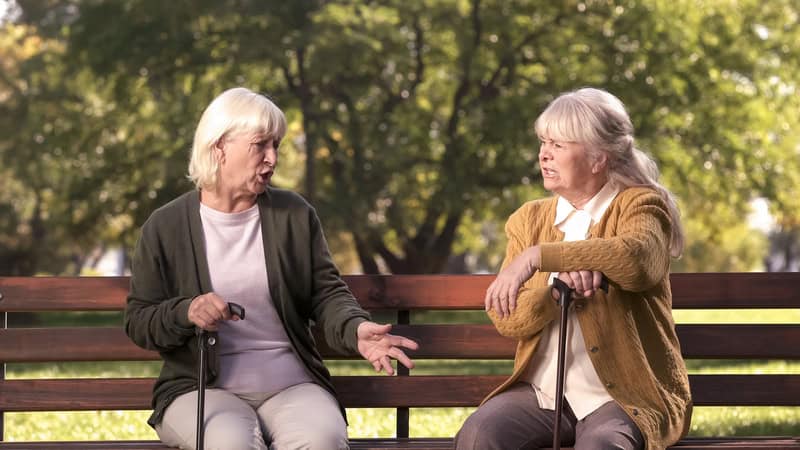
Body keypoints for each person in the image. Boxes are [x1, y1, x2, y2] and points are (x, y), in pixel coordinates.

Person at [124, 87, 419, 450]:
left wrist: (355, 329)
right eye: (260, 145)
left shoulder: (293, 214)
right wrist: (186, 311)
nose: (272, 158)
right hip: (201, 390)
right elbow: (139, 321)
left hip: (292, 385)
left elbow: (326, 294)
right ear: (220, 148)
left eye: (276, 145)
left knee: (321, 441)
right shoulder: (165, 226)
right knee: (231, 444)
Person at [455, 87, 692, 450]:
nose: (544, 154)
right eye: (543, 142)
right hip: (541, 394)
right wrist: (554, 293)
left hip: (624, 398)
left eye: (559, 145)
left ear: (598, 158)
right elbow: (507, 317)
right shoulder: (528, 219)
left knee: (601, 446)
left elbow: (637, 261)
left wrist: (539, 258)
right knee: (479, 434)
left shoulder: (641, 204)